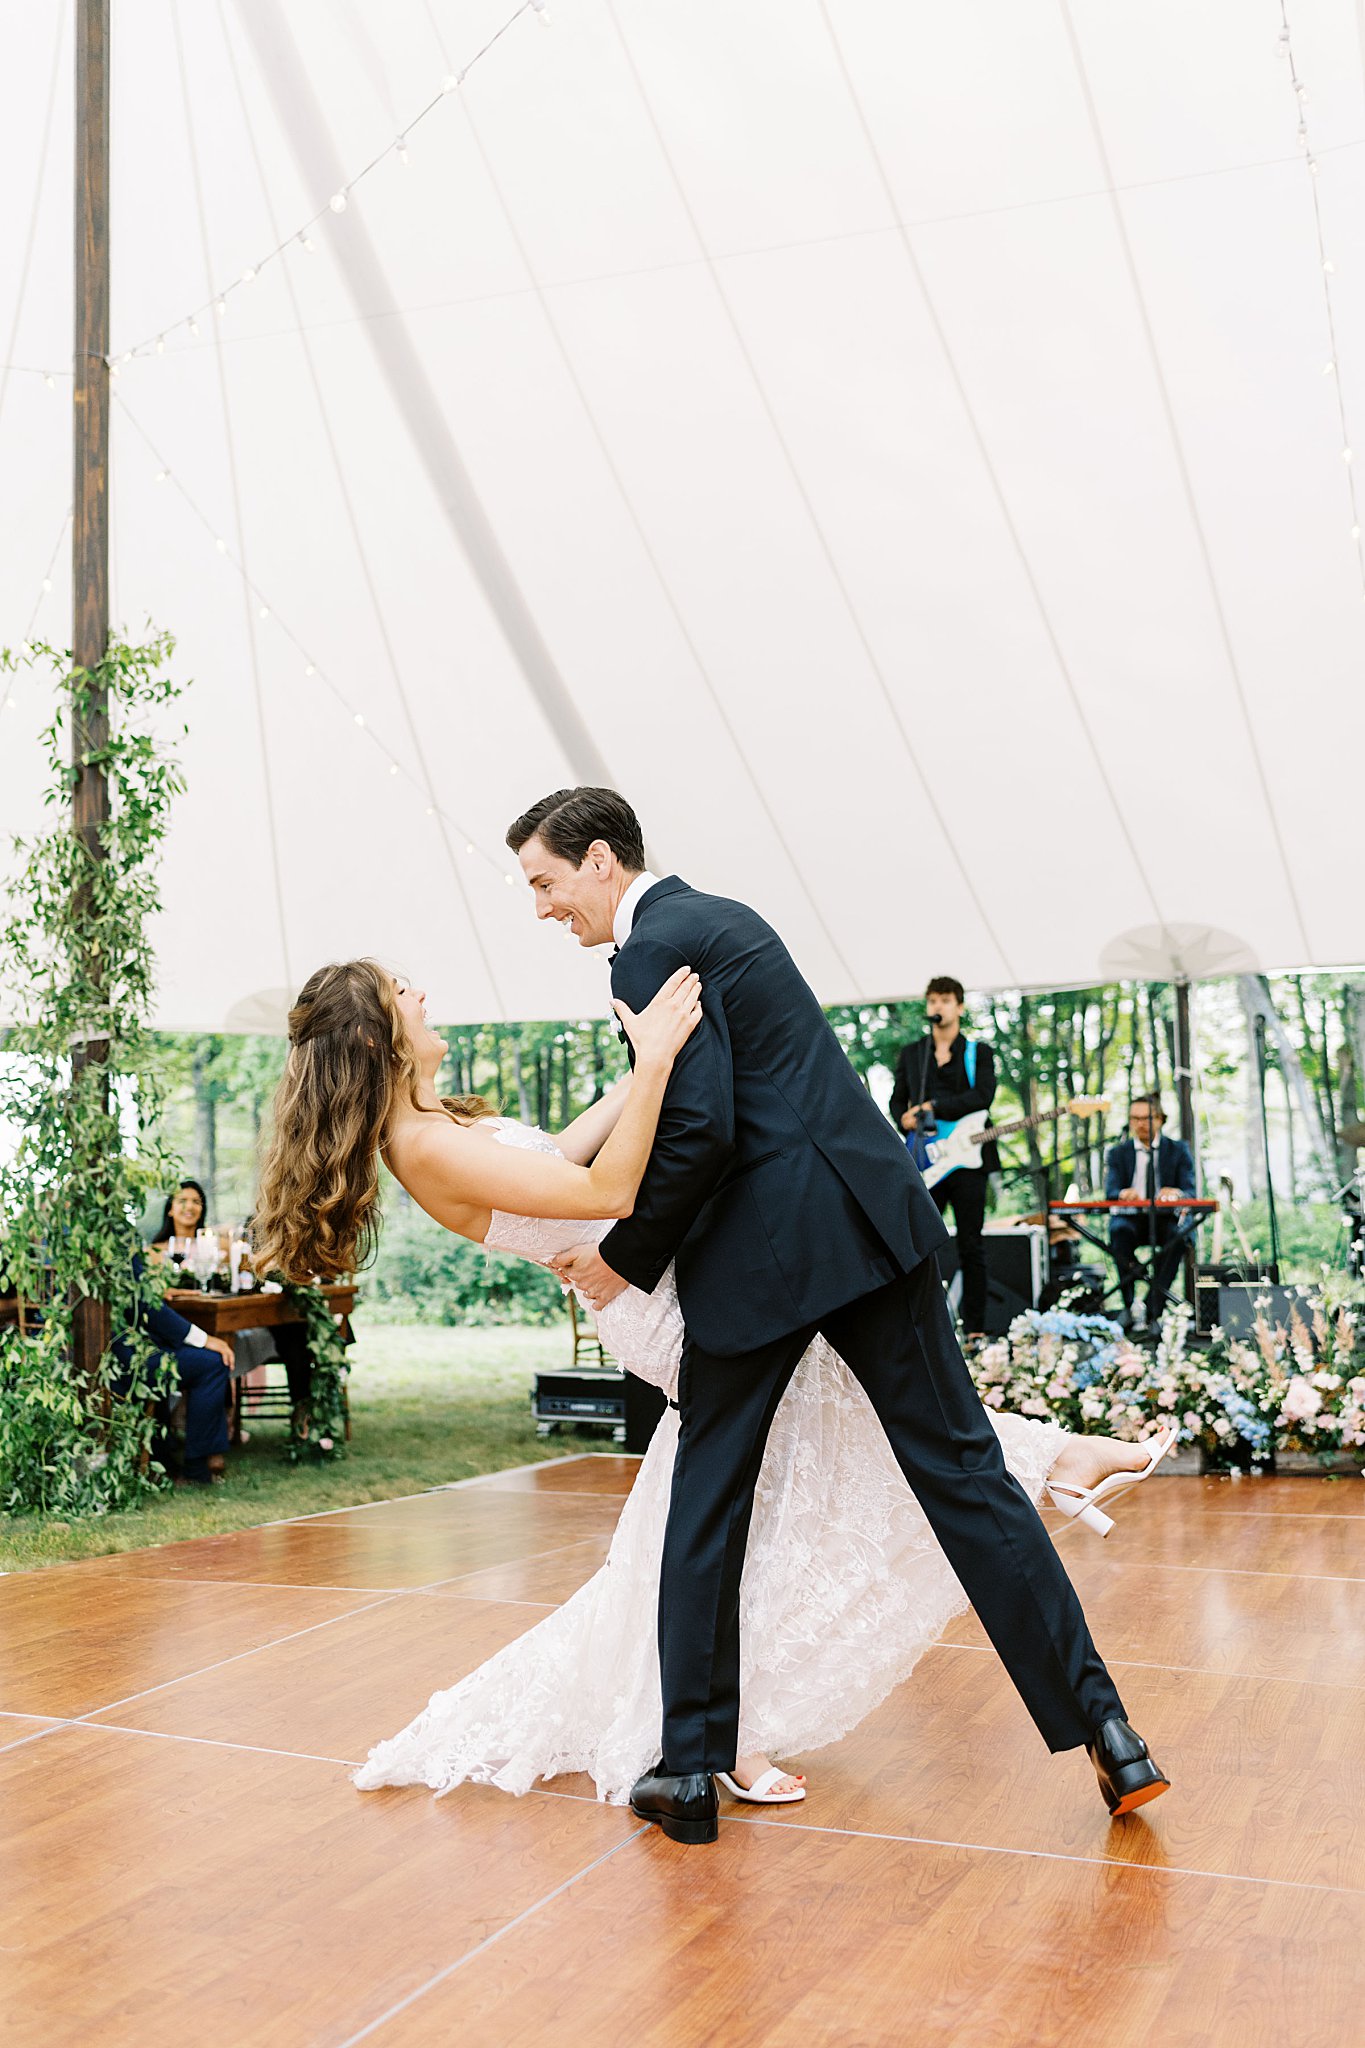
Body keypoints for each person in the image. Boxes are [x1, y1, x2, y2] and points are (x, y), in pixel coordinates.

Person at [251, 956, 1171, 1818]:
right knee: (801, 1471)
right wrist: (653, 1064)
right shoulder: (423, 1148)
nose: (421, 996)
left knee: (794, 1469)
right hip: (657, 1306)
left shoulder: (440, 1123)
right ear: (375, 1037)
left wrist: (643, 1060)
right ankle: (1045, 1467)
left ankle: (725, 1720)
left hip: (665, 1283)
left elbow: (561, 1151)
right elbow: (604, 1186)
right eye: (401, 992)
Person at [515, 788, 1169, 1843]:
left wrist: (624, 1260)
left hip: (760, 1260)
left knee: (708, 1500)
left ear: (598, 861)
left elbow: (705, 1129)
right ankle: (1111, 1729)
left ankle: (686, 1772)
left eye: (545, 882)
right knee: (965, 1477)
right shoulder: (727, 917)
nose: (543, 907)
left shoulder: (646, 954)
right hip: (871, 1224)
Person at [889, 978, 998, 1339]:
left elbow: (983, 1096)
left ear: (960, 1007)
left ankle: (977, 1330)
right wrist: (903, 1116)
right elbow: (896, 1101)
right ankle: (923, 1327)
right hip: (927, 1160)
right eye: (933, 1000)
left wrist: (935, 1106)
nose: (939, 1007)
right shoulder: (913, 1054)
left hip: (968, 1159)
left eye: (946, 1000)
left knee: (972, 1243)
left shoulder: (977, 1052)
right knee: (920, 1242)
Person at [116, 1259, 235, 1485]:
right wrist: (203, 1338)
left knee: (192, 1358)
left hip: (85, 1356)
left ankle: (165, 1454)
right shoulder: (116, 1235)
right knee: (212, 1363)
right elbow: (144, 1303)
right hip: (127, 1361)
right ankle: (197, 1469)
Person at [1105, 1095, 1198, 1331]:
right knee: (1118, 1232)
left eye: (1145, 1118)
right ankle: (1128, 1306)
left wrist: (1176, 1193)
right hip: (1130, 1219)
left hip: (1164, 1219)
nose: (1140, 1124)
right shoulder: (1118, 1153)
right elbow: (1110, 1191)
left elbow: (1190, 1190)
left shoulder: (1178, 1150)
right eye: (1134, 1119)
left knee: (1179, 1236)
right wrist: (1122, 1194)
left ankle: (1153, 1308)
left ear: (1159, 1119)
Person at [147, 1178, 208, 1260]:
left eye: (196, 1201)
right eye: (182, 1201)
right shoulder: (154, 1252)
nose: (189, 1207)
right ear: (170, 1209)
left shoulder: (213, 1247)